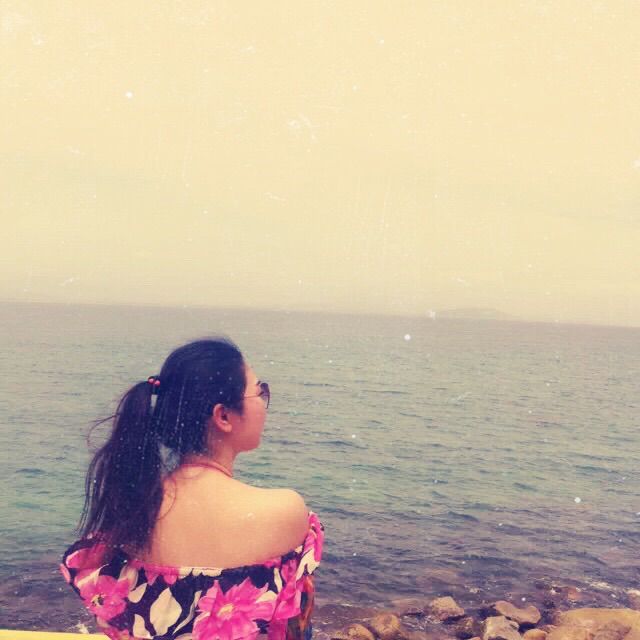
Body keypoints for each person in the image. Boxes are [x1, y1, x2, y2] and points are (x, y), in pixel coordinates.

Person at [60, 338, 324, 640]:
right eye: (259, 391)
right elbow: (294, 630)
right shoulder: (284, 511)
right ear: (223, 416)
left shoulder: (132, 513)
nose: (264, 401)